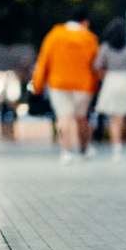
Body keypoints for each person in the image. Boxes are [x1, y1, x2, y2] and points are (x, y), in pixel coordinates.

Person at [31, 11, 100, 161]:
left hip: (58, 84)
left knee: (64, 118)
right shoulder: (89, 38)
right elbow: (95, 65)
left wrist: (38, 85)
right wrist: (95, 86)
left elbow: (44, 61)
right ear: (85, 23)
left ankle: (66, 151)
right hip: (83, 85)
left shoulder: (54, 35)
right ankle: (84, 148)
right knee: (81, 118)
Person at [93, 18, 126, 157]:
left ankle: (116, 149)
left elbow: (96, 65)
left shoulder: (105, 47)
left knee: (115, 119)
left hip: (111, 81)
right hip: (125, 81)